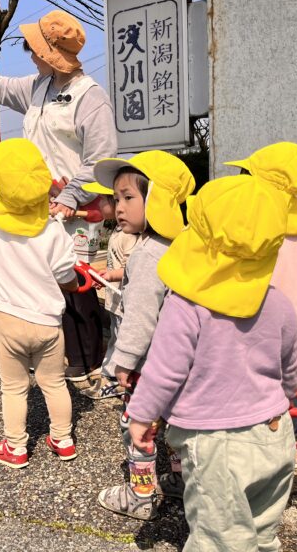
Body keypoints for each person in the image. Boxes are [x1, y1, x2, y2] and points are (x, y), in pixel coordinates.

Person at [0, 9, 117, 388]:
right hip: (39, 206)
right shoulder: (38, 87)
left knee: (76, 282)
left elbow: (101, 159)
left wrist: (72, 196)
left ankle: (88, 365)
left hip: (74, 210)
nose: (29, 54)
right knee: (45, 280)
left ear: (49, 54)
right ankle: (58, 355)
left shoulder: (90, 97)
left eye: (34, 48)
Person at [127, 175, 297, 550]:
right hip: (275, 432)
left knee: (218, 540)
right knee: (262, 533)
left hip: (217, 446)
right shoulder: (280, 303)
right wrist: (284, 402)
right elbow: (289, 370)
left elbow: (165, 369)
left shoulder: (187, 305)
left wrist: (142, 415)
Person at [0, 138, 80, 469]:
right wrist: (75, 285)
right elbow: (67, 277)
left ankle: (16, 447)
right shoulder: (54, 233)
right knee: (54, 383)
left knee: (14, 387)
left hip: (7, 323)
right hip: (49, 324)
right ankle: (63, 440)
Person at [90, 151, 195, 521]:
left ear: (159, 201)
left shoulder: (149, 253)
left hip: (147, 365)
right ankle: (182, 481)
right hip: (178, 363)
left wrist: (124, 361)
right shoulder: (180, 243)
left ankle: (141, 494)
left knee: (139, 426)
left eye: (128, 198)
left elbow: (140, 315)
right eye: (116, 199)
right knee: (177, 424)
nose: (118, 207)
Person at [225, 142, 297, 466]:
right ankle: (290, 446)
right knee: (290, 387)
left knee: (255, 383)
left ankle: (255, 446)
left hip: (261, 326)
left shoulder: (256, 232)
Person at [80, 181, 141, 400]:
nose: (96, 204)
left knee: (123, 341)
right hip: (114, 300)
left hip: (125, 301)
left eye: (100, 200)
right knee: (116, 338)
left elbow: (134, 268)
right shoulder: (118, 230)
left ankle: (117, 381)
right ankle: (111, 376)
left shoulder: (130, 236)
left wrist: (110, 275)